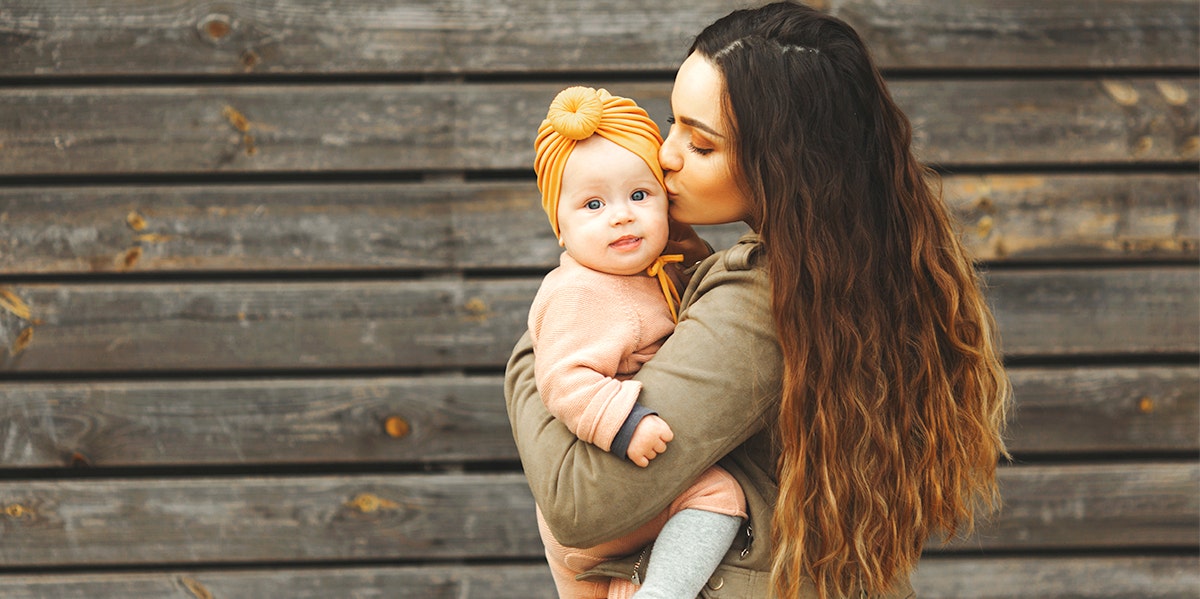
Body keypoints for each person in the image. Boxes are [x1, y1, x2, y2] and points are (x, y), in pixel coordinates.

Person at [508, 2, 1013, 598]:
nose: (665, 154)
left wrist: (542, 339)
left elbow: (578, 499)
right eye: (671, 124)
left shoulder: (761, 302)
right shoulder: (860, 267)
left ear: (782, 166)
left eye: (700, 145)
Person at [526, 85, 749, 599]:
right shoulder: (580, 291)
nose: (621, 215)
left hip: (606, 515)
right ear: (559, 226)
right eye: (593, 204)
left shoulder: (643, 275)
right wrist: (622, 422)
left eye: (640, 195)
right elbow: (563, 377)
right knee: (717, 494)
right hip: (605, 475)